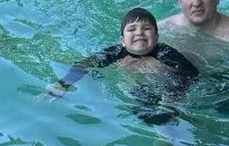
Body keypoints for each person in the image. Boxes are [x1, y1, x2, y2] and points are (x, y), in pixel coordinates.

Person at [45, 7, 199, 124]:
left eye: (146, 28)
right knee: (144, 112)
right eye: (132, 29)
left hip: (165, 87)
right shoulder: (116, 53)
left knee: (168, 114)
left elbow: (190, 74)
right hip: (137, 87)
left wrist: (172, 96)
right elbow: (85, 65)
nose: (139, 33)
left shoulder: (165, 53)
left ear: (157, 37)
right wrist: (62, 84)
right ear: (123, 41)